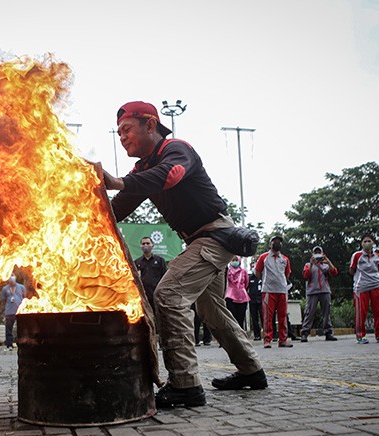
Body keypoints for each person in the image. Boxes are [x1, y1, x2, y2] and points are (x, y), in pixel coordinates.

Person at [102, 101, 266, 408]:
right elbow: (117, 208)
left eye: (127, 129)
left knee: (169, 294)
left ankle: (185, 386)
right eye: (119, 133)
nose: (121, 137)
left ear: (150, 125)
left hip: (213, 237)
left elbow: (171, 175)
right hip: (200, 241)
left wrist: (118, 181)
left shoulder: (176, 150)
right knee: (211, 310)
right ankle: (251, 371)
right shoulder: (144, 170)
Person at [255, 236, 293, 349]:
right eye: (274, 241)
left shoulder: (285, 259)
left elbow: (287, 274)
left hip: (282, 290)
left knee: (283, 316)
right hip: (268, 290)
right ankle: (267, 340)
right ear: (270, 244)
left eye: (279, 242)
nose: (277, 243)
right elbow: (257, 272)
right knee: (267, 316)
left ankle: (283, 340)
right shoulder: (264, 257)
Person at [350, 233, 379, 344]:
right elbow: (351, 270)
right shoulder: (357, 255)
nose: (367, 243)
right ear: (361, 244)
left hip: (376, 285)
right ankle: (361, 335)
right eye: (365, 241)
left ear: (373, 243)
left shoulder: (378, 257)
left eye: (369, 241)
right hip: (361, 287)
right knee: (361, 312)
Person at [301, 246, 339, 342]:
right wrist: (311, 263)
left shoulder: (325, 265)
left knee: (326, 313)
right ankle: (305, 332)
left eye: (319, 252)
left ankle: (328, 332)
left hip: (325, 291)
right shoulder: (307, 264)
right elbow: (306, 276)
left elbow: (334, 272)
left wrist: (328, 261)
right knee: (309, 312)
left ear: (322, 254)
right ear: (313, 254)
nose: (317, 254)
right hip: (312, 292)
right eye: (315, 252)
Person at [135, 236, 167, 333]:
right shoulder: (137, 262)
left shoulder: (160, 260)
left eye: (148, 243)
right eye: (143, 243)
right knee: (145, 319)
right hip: (143, 297)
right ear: (140, 246)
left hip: (157, 295)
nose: (145, 245)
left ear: (152, 245)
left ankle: (162, 342)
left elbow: (165, 277)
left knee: (160, 319)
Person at [1, 274, 26, 351]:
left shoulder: (21, 287)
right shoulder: (5, 289)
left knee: (21, 328)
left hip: (19, 312)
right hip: (9, 312)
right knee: (9, 329)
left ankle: (22, 343)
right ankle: (9, 344)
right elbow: (3, 300)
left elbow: (25, 297)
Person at [225, 256, 249, 329]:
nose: (234, 262)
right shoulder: (228, 271)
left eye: (236, 260)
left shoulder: (243, 271)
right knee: (232, 316)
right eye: (233, 260)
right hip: (230, 295)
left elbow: (246, 283)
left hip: (242, 296)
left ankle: (241, 333)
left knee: (241, 317)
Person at [247, 263, 263, 341]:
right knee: (254, 318)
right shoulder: (250, 278)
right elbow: (246, 287)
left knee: (263, 318)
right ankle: (257, 335)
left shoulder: (262, 277)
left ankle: (267, 334)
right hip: (252, 300)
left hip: (261, 300)